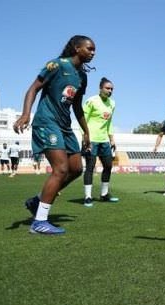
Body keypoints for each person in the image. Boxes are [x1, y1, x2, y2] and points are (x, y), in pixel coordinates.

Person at [14, 35, 95, 235]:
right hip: (46, 122)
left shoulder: (82, 77)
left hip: (65, 126)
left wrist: (86, 131)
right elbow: (33, 88)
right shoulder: (56, 65)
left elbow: (77, 106)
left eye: (94, 50)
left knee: (76, 169)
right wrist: (26, 114)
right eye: (89, 48)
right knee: (61, 168)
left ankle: (38, 200)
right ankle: (39, 221)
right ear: (77, 48)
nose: (93, 53)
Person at [82, 77, 119, 207]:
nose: (110, 91)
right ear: (100, 88)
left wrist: (112, 139)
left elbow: (109, 122)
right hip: (91, 139)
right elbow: (83, 120)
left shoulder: (112, 103)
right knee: (90, 167)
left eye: (112, 89)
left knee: (108, 166)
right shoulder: (91, 101)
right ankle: (87, 196)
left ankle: (104, 194)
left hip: (104, 140)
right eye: (107, 88)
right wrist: (85, 138)